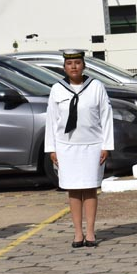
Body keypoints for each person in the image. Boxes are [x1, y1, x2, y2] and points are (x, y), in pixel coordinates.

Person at [45, 50, 114, 247]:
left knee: (90, 188)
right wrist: (52, 149)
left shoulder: (96, 87)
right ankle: (77, 233)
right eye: (69, 63)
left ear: (84, 65)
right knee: (73, 190)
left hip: (92, 145)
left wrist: (106, 145)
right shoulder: (57, 89)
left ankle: (91, 232)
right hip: (66, 146)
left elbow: (106, 116)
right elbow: (51, 120)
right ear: (64, 67)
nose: (74, 67)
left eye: (77, 62)